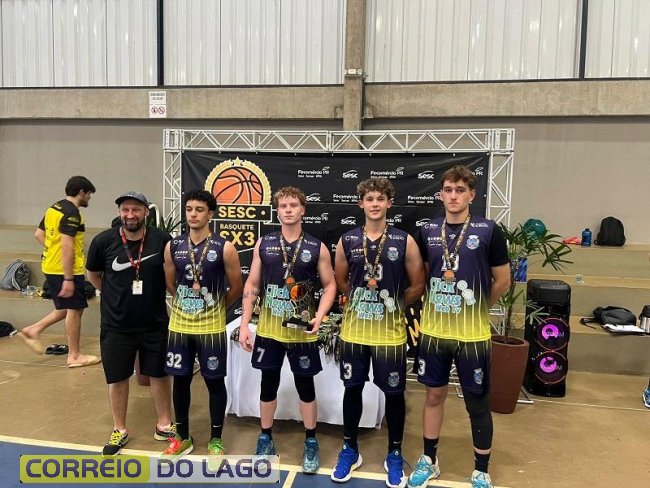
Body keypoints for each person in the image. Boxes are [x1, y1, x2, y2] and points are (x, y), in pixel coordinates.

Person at [407, 165, 510, 488]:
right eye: (448, 190)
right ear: (441, 194)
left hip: (472, 335)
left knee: (477, 402)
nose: (453, 196)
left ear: (471, 195)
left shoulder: (488, 230)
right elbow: (422, 278)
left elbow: (502, 280)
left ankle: (481, 470)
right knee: (433, 396)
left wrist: (478, 309)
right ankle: (429, 460)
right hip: (435, 332)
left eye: (460, 190)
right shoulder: (428, 231)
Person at [331, 178, 425, 488]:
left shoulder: (404, 240)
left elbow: (418, 284)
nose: (374, 204)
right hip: (355, 332)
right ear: (361, 203)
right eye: (369, 198)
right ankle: (350, 449)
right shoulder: (347, 240)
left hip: (390, 334)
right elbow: (341, 280)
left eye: (380, 199)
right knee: (352, 390)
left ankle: (394, 453)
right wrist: (361, 301)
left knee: (394, 394)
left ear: (389, 203)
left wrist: (393, 305)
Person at [239, 186, 336, 473]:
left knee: (306, 386)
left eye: (294, 205)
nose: (289, 210)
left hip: (301, 331)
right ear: (277, 211)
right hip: (269, 330)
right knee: (267, 384)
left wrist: (320, 315)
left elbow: (330, 285)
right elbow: (252, 284)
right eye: (283, 206)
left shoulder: (316, 247)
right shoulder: (264, 243)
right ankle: (265, 438)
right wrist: (244, 324)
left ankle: (311, 440)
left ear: (303, 210)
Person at [86, 191, 175, 456]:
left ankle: (164, 425)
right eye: (125, 209)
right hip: (116, 325)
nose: (130, 215)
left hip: (154, 323)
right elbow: (93, 275)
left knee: (160, 375)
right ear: (119, 212)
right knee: (117, 378)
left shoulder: (161, 240)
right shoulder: (103, 241)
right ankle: (119, 429)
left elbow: (170, 275)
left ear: (146, 212)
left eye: (136, 209)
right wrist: (114, 296)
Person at [161, 190, 243, 458]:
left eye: (199, 209)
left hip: (211, 329)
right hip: (180, 327)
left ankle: (216, 439)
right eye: (189, 209)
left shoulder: (224, 247)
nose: (193, 214)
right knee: (180, 381)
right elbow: (170, 284)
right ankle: (182, 437)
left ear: (210, 214)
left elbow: (236, 287)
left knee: (214, 382)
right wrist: (187, 304)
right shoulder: (173, 246)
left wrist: (215, 307)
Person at [17, 175, 100, 368]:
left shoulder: (54, 208)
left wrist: (53, 251)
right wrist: (68, 278)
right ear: (81, 192)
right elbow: (67, 246)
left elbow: (39, 234)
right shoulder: (72, 213)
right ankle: (74, 355)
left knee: (67, 307)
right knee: (75, 309)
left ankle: (33, 330)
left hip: (51, 265)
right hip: (65, 270)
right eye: (89, 194)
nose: (89, 198)